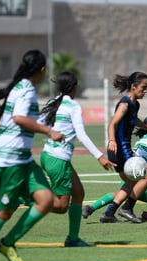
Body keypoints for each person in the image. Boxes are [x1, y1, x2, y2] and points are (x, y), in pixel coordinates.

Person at [0, 49, 64, 261]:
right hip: (8, 160)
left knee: (46, 200)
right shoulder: (26, 89)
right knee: (3, 212)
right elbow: (19, 119)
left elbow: (22, 117)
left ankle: (7, 243)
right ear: (41, 70)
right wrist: (49, 131)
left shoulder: (21, 87)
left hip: (24, 160)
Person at [37, 71, 115, 247]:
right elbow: (81, 135)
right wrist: (100, 156)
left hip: (48, 155)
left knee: (78, 193)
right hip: (58, 159)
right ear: (74, 87)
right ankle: (27, 197)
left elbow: (40, 125)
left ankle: (73, 238)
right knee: (61, 206)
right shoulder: (73, 106)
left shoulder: (52, 103)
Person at [99, 72, 147, 223]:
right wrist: (112, 140)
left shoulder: (135, 104)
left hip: (122, 150)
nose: (146, 90)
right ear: (133, 87)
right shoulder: (124, 104)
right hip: (120, 150)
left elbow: (133, 119)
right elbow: (112, 123)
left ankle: (109, 214)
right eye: (143, 87)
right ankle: (127, 208)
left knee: (130, 183)